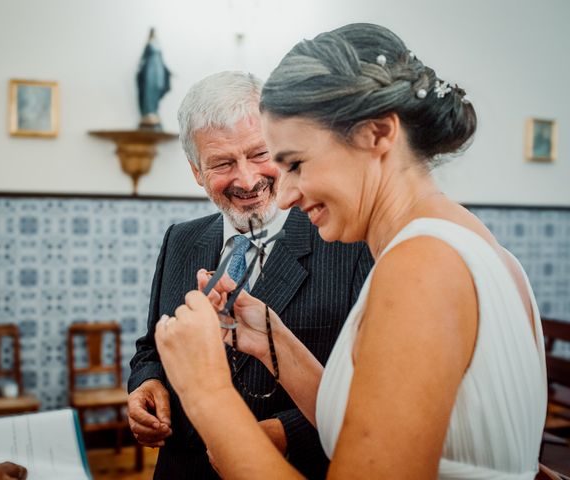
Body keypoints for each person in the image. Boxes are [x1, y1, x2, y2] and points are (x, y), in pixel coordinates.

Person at [153, 24, 548, 479]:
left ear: (377, 134)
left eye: (295, 163)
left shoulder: (421, 268)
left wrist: (206, 392)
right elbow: (383, 427)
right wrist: (272, 340)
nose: (284, 196)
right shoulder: (471, 243)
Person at [127, 71, 373, 479]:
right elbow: (153, 343)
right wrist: (145, 383)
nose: (246, 179)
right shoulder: (181, 240)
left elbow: (368, 393)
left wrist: (279, 433)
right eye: (222, 163)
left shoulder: (346, 243)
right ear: (196, 171)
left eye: (259, 154)